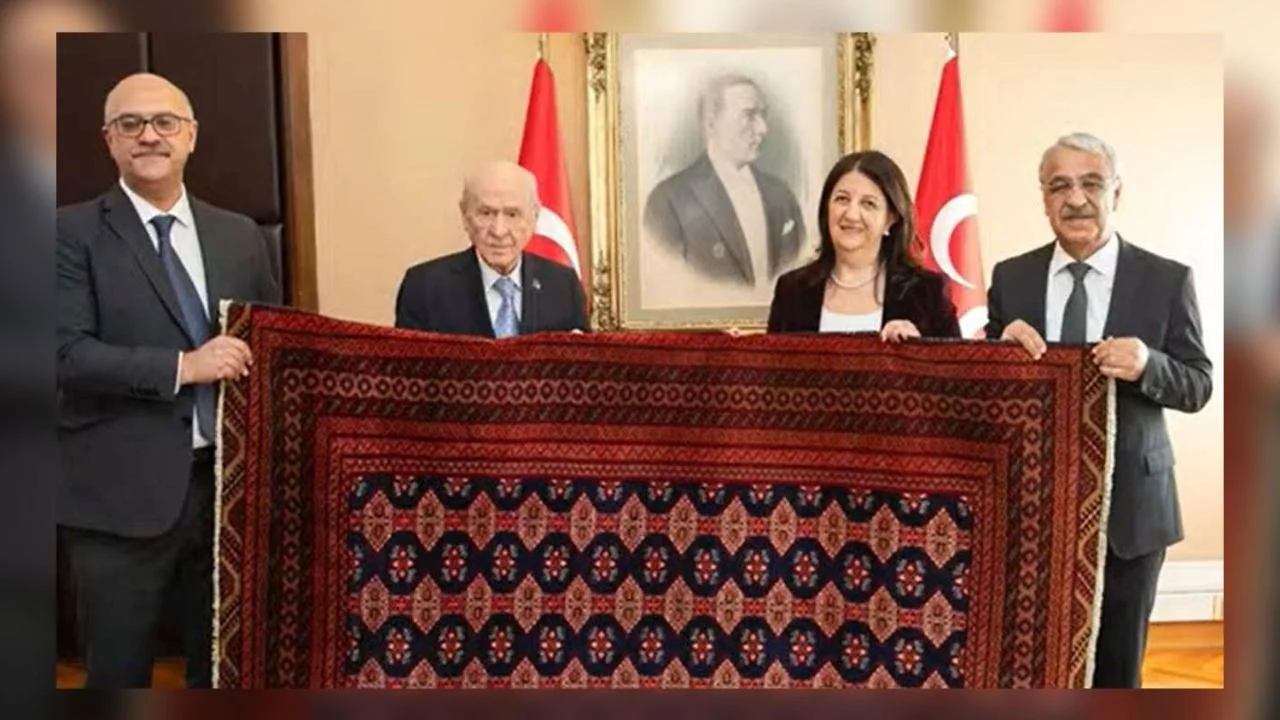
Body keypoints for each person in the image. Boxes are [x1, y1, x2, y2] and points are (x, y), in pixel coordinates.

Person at [56, 72, 281, 688]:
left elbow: (271, 345)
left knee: (221, 670)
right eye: (130, 124)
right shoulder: (67, 233)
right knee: (118, 673)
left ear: (192, 136)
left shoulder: (240, 234)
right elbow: (63, 354)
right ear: (109, 139)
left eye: (165, 122)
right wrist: (184, 367)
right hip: (117, 500)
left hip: (228, 496)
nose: (149, 135)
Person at [985, 132, 1213, 688]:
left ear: (1117, 192)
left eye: (1091, 183)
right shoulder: (1011, 278)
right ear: (1044, 198)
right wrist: (997, 351)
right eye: (1059, 186)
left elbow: (1198, 385)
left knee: (1117, 671)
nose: (1076, 199)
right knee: (1031, 667)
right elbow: (986, 391)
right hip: (1032, 510)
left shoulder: (1167, 279)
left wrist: (1148, 364)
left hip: (1132, 514)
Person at [766, 150, 960, 340]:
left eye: (868, 204)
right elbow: (770, 361)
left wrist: (920, 347)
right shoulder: (791, 290)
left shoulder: (927, 292)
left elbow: (957, 361)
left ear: (891, 218)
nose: (851, 214)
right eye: (842, 199)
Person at [643, 74, 805, 288]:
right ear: (711, 123)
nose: (762, 128)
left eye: (762, 115)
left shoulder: (781, 196)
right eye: (749, 115)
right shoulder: (668, 201)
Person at [395, 160, 588, 336]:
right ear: (465, 217)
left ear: (534, 218)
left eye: (512, 214)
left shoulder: (564, 287)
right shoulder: (424, 287)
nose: (499, 231)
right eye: (486, 213)